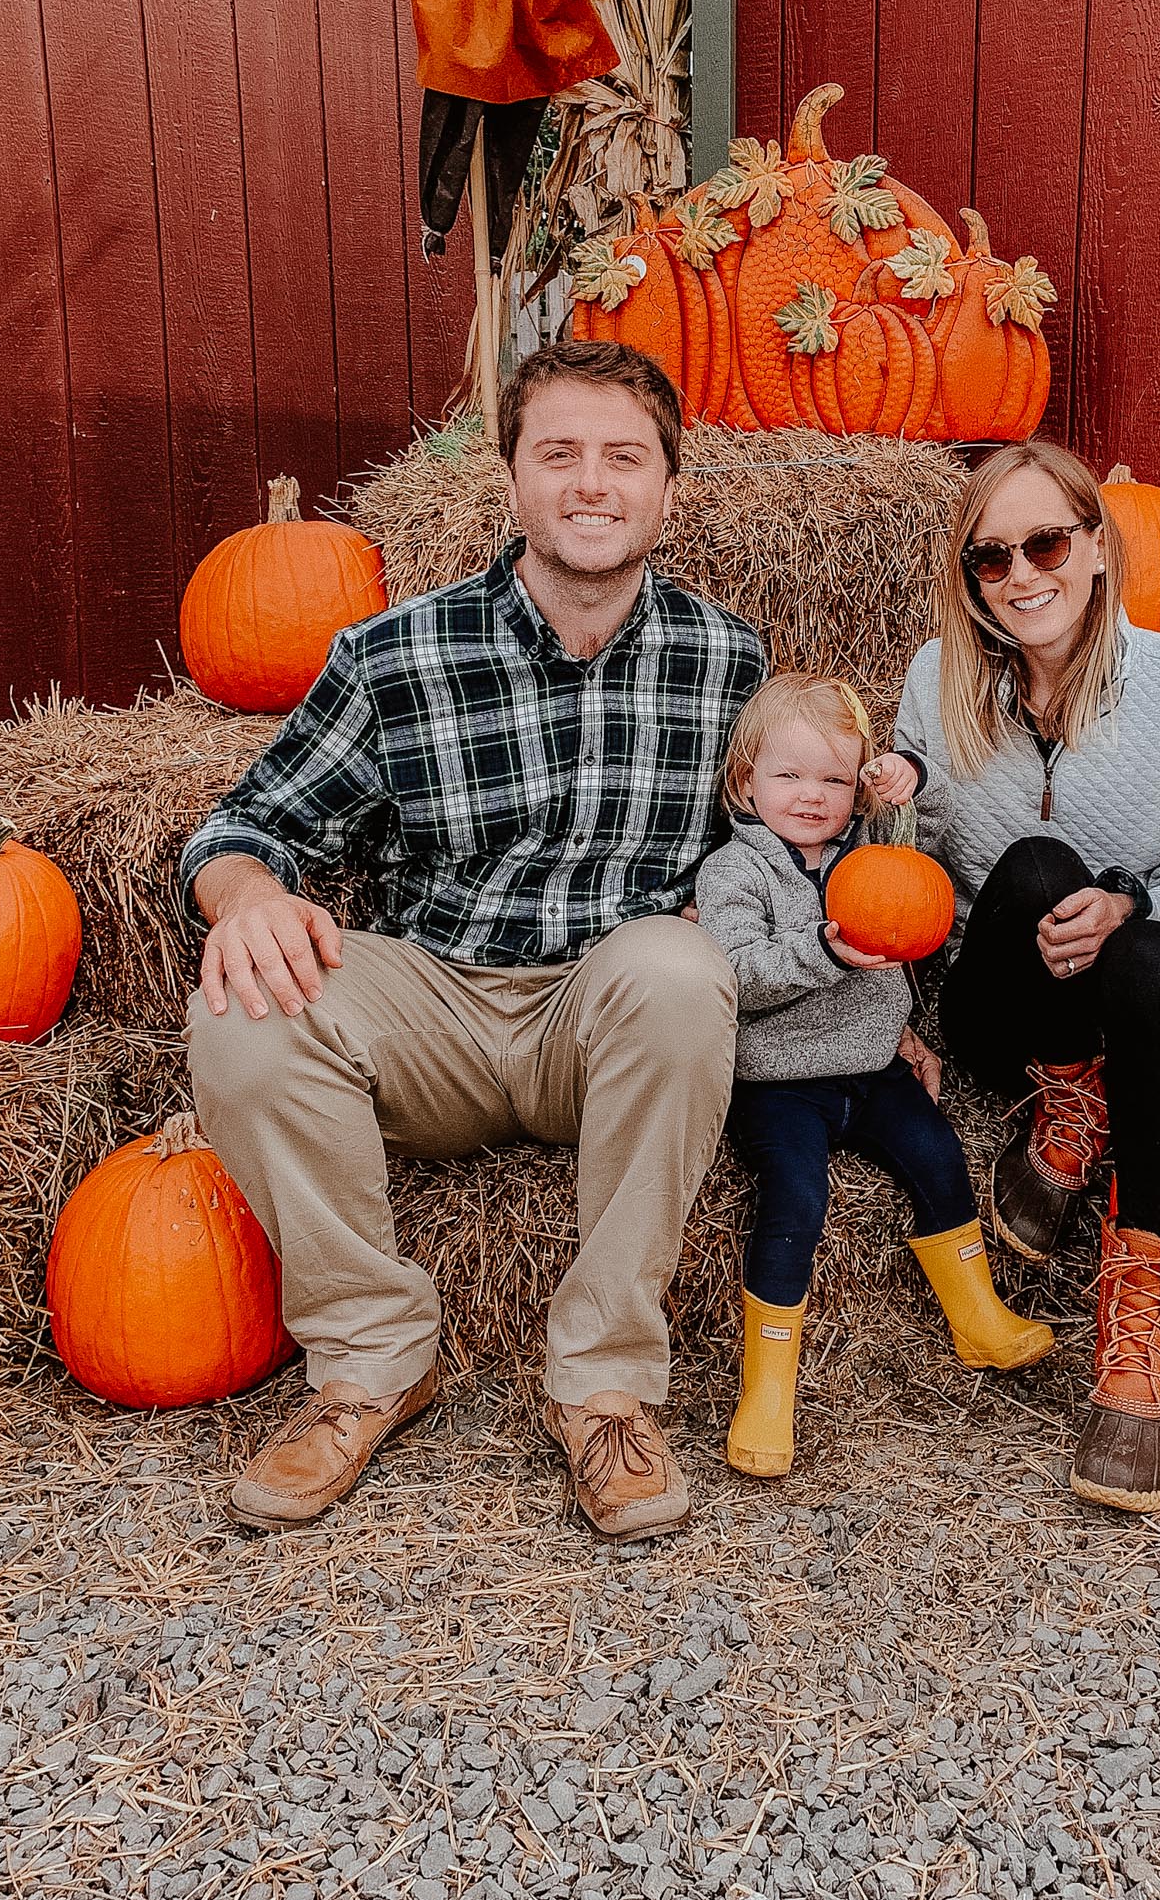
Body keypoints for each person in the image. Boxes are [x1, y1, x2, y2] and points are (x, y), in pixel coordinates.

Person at [180, 342, 763, 1541]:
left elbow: (813, 846)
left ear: (668, 489)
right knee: (243, 1001)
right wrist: (246, 899)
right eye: (559, 454)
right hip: (433, 1005)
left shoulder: (729, 663)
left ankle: (604, 1388)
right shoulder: (395, 655)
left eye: (623, 457)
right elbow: (244, 826)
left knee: (679, 965)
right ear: (511, 482)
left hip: (602, 1017)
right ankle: (370, 1361)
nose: (591, 483)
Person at [895, 440, 1160, 1515]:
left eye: (1046, 541)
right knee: (1038, 869)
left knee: (1137, 938)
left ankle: (1144, 1311)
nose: (1022, 574)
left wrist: (1130, 903)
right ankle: (1063, 1100)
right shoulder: (933, 679)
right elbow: (904, 882)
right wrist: (889, 1012)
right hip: (1009, 1007)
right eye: (991, 558)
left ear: (1098, 545)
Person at [695, 673, 1052, 1480]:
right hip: (780, 1079)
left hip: (873, 1065)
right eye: (789, 776)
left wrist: (908, 782)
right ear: (744, 781)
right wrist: (821, 950)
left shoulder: (871, 852)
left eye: (834, 779)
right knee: (796, 1200)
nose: (813, 796)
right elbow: (737, 974)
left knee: (939, 1158)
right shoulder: (734, 874)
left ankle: (977, 1317)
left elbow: (930, 834)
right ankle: (768, 1387)